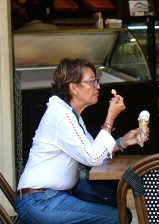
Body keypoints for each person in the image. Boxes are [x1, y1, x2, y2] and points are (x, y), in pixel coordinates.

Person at [16, 58, 149, 224]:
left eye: (96, 81)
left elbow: (94, 150)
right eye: (91, 81)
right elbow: (93, 157)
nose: (97, 86)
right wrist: (110, 118)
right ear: (73, 88)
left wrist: (122, 142)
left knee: (121, 212)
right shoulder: (61, 116)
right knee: (118, 217)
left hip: (50, 197)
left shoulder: (70, 114)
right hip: (40, 202)